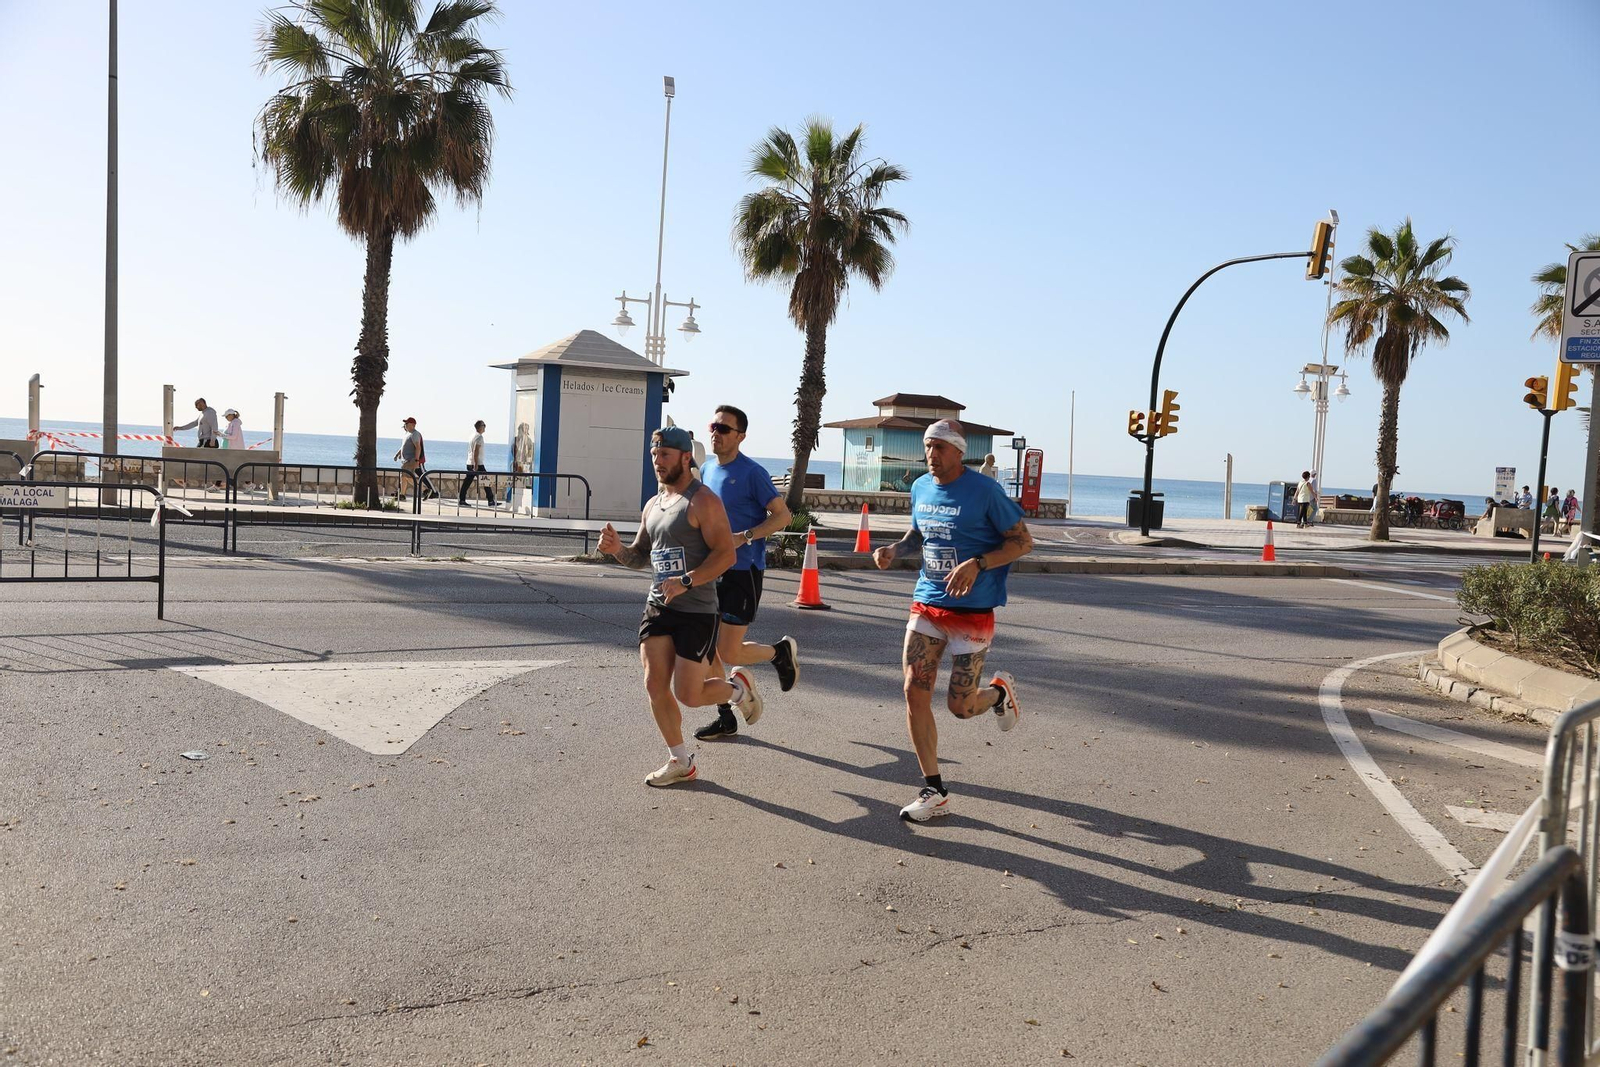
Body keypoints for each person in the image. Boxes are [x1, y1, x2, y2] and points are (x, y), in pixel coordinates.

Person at [873, 419, 1034, 822]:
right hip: (927, 602)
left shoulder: (985, 491)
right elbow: (918, 535)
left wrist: (978, 563)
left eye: (940, 447)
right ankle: (934, 789)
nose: (932, 454)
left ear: (959, 452)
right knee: (913, 690)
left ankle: (998, 693)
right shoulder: (920, 487)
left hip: (972, 610)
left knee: (961, 708)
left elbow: (1022, 541)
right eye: (927, 446)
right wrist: (895, 549)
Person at [596, 426, 763, 786]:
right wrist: (615, 551)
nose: (657, 461)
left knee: (689, 695)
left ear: (686, 458)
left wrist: (687, 580)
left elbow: (726, 554)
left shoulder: (703, 501)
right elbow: (640, 556)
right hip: (659, 606)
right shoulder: (653, 505)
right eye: (654, 454)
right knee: (654, 683)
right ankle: (681, 760)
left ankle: (738, 689)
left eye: (665, 455)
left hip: (697, 611)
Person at [692, 405, 800, 741]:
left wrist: (747, 536)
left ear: (740, 436)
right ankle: (725, 716)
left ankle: (778, 653)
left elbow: (782, 517)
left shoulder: (752, 473)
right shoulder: (708, 470)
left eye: (725, 429)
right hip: (713, 570)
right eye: (714, 426)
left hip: (743, 571)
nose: (716, 433)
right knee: (707, 647)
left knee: (729, 652)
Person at [393, 417, 436, 501]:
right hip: (405, 461)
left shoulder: (415, 434)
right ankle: (402, 495)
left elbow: (418, 447)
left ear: (413, 425)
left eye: (407, 423)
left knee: (408, 478)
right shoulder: (407, 434)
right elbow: (403, 447)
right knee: (403, 477)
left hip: (411, 460)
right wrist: (397, 454)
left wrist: (416, 460)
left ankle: (425, 490)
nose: (405, 425)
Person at [458, 420, 496, 507]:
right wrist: (476, 464)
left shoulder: (472, 436)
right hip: (477, 464)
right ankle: (491, 501)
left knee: (467, 482)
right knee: (485, 481)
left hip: (469, 462)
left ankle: (462, 500)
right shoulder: (479, 437)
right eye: (484, 425)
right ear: (480, 426)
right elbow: (476, 451)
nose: (485, 427)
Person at [511, 421, 533, 513]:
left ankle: (522, 504)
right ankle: (516, 504)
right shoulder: (517, 439)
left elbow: (529, 453)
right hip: (518, 464)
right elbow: (514, 450)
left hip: (524, 464)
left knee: (523, 484)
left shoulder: (528, 440)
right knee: (516, 484)